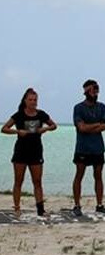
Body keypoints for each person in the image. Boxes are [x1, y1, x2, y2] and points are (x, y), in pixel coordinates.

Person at [1, 87, 58, 216]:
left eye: (35, 100)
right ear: (25, 101)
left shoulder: (41, 114)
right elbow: (4, 129)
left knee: (37, 181)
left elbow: (54, 125)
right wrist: (17, 131)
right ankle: (17, 208)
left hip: (36, 151)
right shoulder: (19, 115)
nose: (33, 102)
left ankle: (40, 209)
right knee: (18, 181)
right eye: (30, 100)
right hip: (21, 151)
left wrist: (45, 129)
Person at [71, 79, 105, 217]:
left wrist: (90, 127)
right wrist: (96, 125)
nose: (95, 92)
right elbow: (81, 128)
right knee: (79, 175)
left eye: (96, 90)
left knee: (98, 176)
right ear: (86, 91)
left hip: (98, 147)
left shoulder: (102, 107)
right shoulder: (78, 108)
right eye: (92, 90)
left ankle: (99, 205)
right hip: (82, 147)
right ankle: (77, 205)